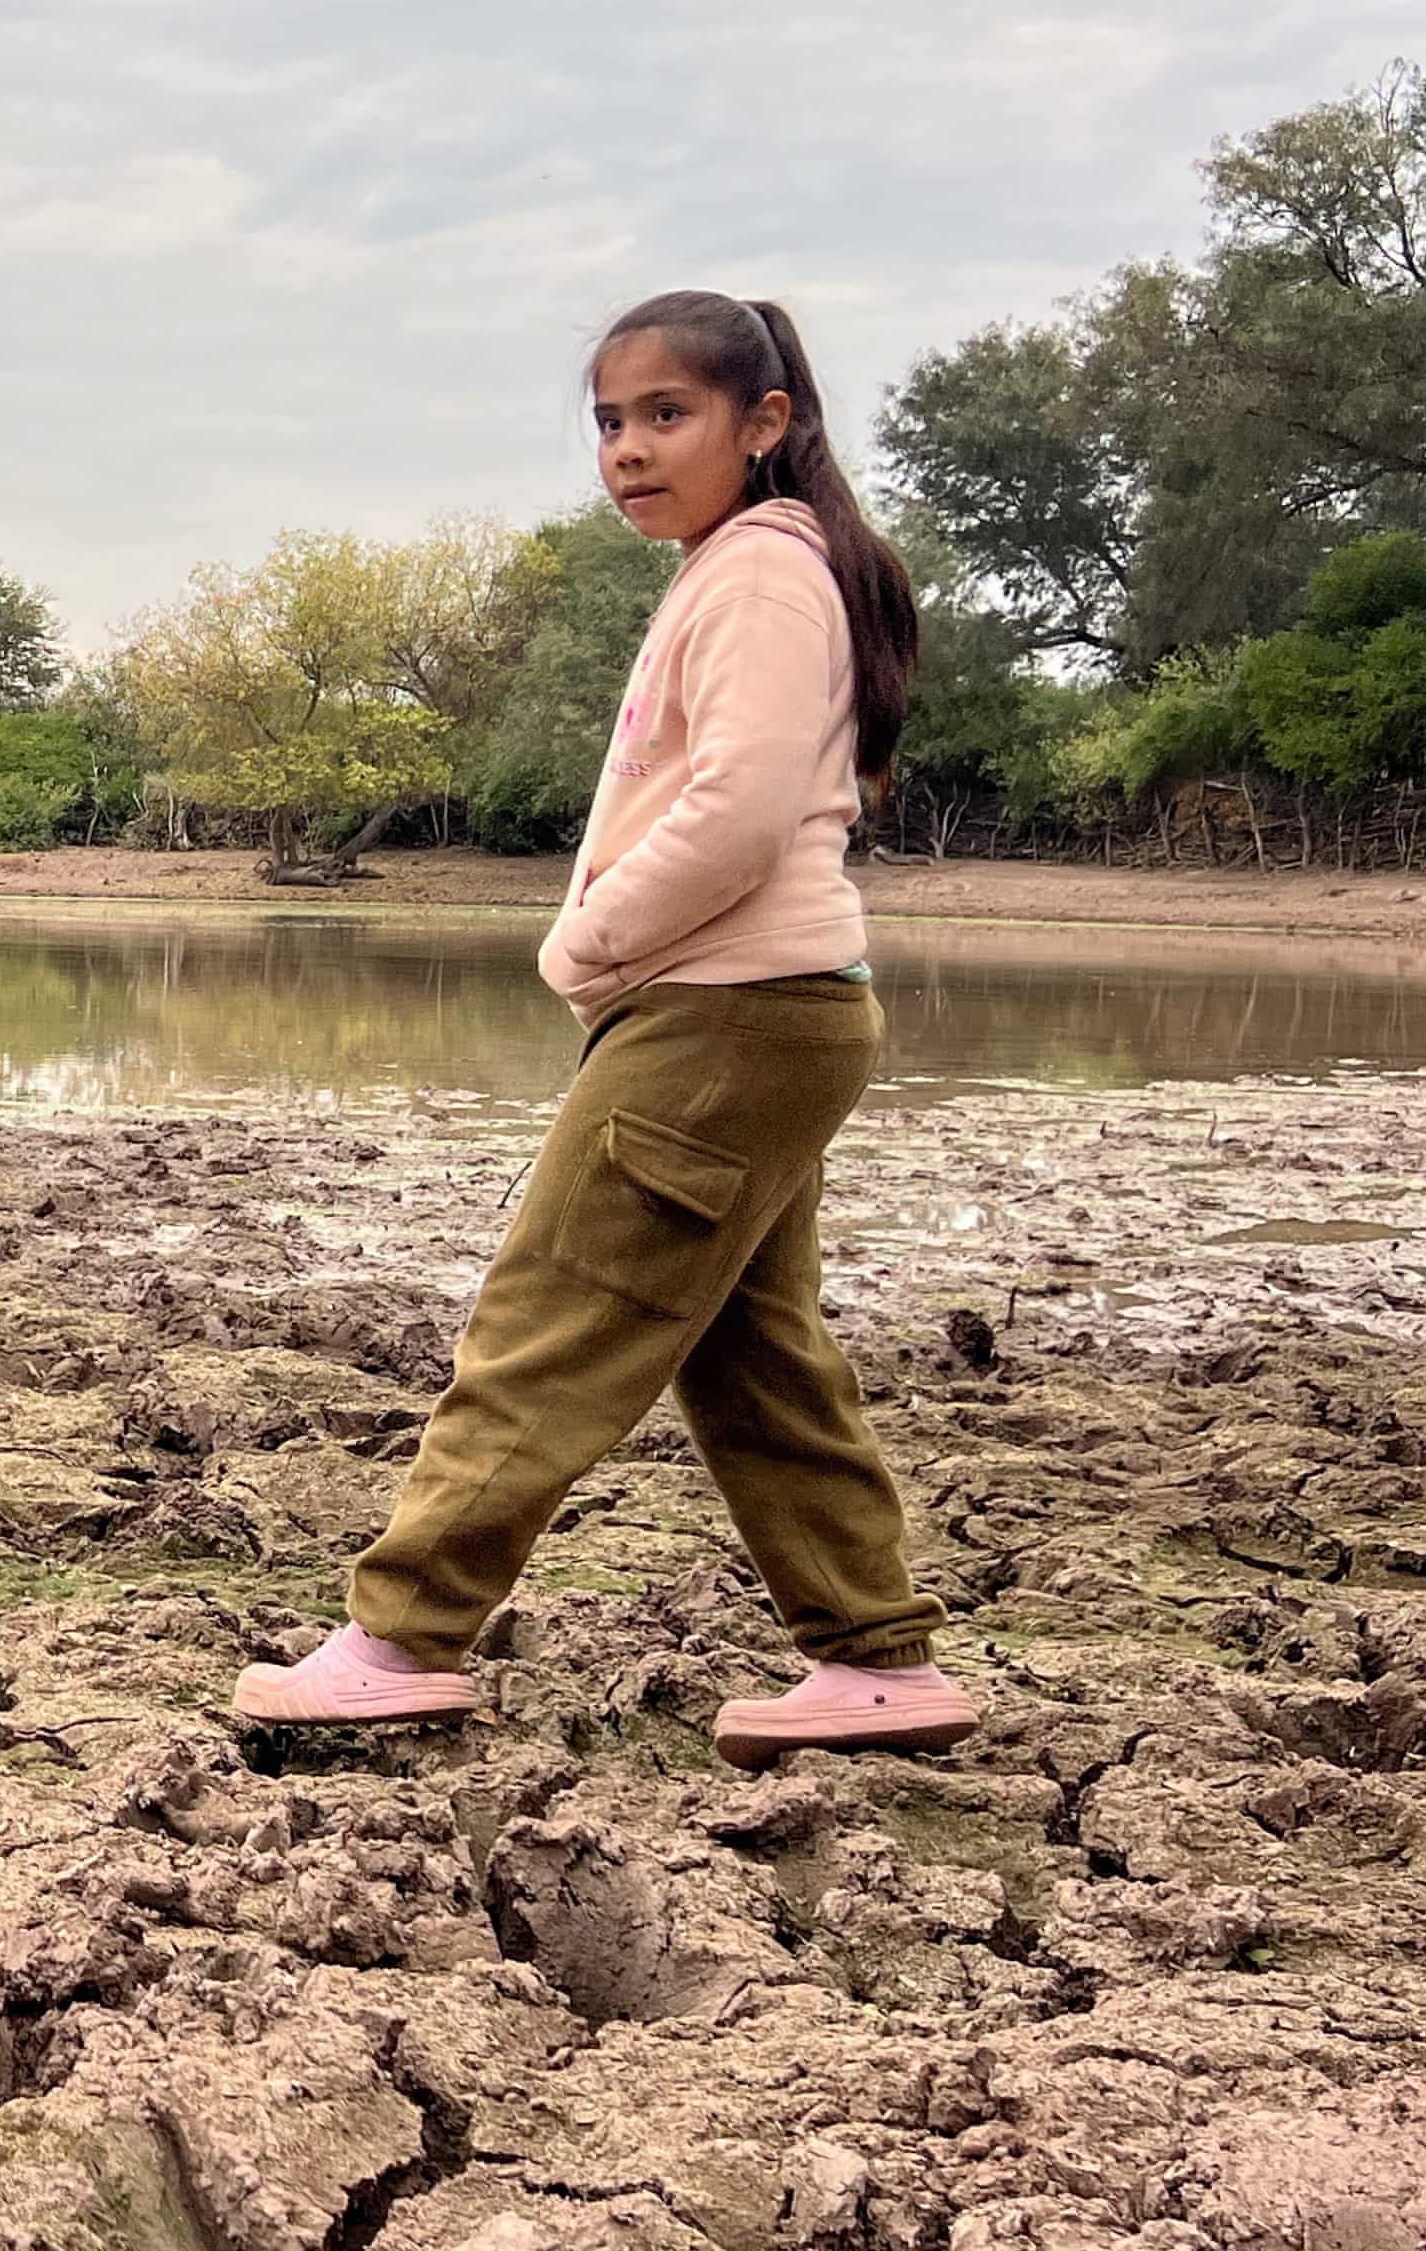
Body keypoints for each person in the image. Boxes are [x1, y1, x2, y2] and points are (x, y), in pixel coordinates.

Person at [234, 290, 970, 1771]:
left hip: (725, 1011)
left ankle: (403, 1636)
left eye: (667, 415)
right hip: (773, 1012)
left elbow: (744, 809)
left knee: (546, 1315)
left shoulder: (761, 574)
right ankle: (874, 1657)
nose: (630, 449)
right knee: (750, 1344)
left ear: (768, 424)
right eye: (611, 422)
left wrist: (589, 939)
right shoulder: (748, 566)